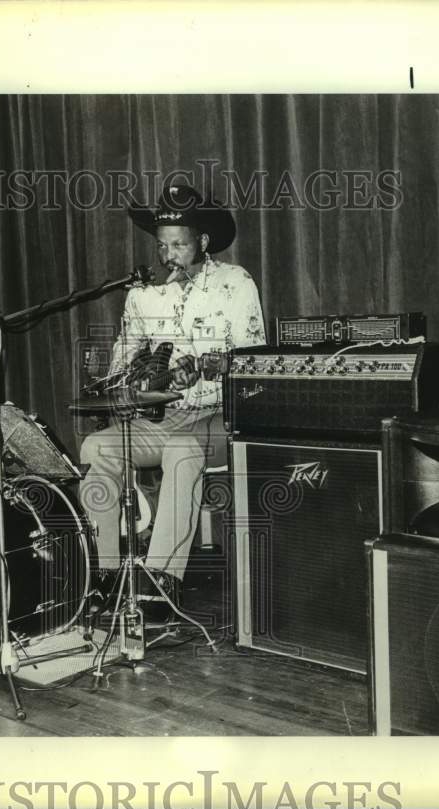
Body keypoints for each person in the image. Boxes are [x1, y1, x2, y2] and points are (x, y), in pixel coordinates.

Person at [79, 184, 266, 621]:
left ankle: (160, 584)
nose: (169, 256)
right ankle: (106, 576)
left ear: (201, 242)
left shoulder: (234, 283)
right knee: (96, 448)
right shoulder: (143, 295)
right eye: (162, 246)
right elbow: (123, 366)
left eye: (179, 245)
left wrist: (209, 366)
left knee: (183, 451)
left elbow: (255, 360)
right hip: (170, 416)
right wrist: (134, 383)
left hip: (222, 417)